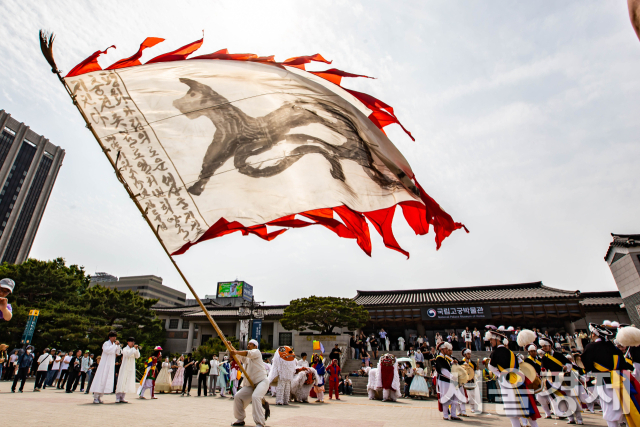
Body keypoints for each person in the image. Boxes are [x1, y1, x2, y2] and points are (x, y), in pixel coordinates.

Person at [488, 329, 540, 427]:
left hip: (506, 383)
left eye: (492, 340)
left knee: (512, 412)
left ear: (497, 340)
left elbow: (491, 367)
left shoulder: (494, 353)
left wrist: (500, 374)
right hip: (518, 381)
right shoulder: (512, 353)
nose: (490, 342)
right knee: (525, 408)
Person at [539, 335, 583, 424]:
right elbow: (543, 368)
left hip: (565, 378)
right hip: (554, 380)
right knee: (562, 400)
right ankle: (570, 418)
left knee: (572, 398)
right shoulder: (544, 357)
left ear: (550, 346)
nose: (544, 348)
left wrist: (566, 367)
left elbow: (569, 364)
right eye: (543, 346)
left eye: (545, 346)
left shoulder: (559, 354)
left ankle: (579, 419)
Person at [230, 339, 269, 427]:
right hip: (250, 384)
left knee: (255, 397)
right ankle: (240, 419)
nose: (248, 345)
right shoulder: (246, 357)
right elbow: (238, 355)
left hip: (261, 382)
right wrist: (230, 346)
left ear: (255, 346)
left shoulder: (257, 352)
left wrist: (235, 351)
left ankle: (260, 422)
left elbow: (247, 353)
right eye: (248, 344)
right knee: (238, 396)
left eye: (250, 344)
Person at [90, 331, 122, 404]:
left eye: (115, 336)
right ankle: (95, 397)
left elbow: (118, 353)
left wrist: (118, 346)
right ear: (109, 337)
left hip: (110, 365)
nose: (114, 338)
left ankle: (99, 396)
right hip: (104, 364)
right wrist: (114, 346)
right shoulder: (106, 343)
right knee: (100, 379)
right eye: (113, 336)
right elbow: (107, 350)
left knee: (105, 380)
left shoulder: (114, 344)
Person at [115, 337, 139, 403]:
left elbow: (137, 356)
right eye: (131, 341)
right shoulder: (125, 349)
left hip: (130, 367)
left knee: (127, 381)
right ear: (128, 342)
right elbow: (127, 354)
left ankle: (123, 397)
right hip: (124, 367)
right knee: (122, 381)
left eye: (133, 342)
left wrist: (136, 349)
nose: (132, 343)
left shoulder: (133, 349)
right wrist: (134, 349)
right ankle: (118, 397)